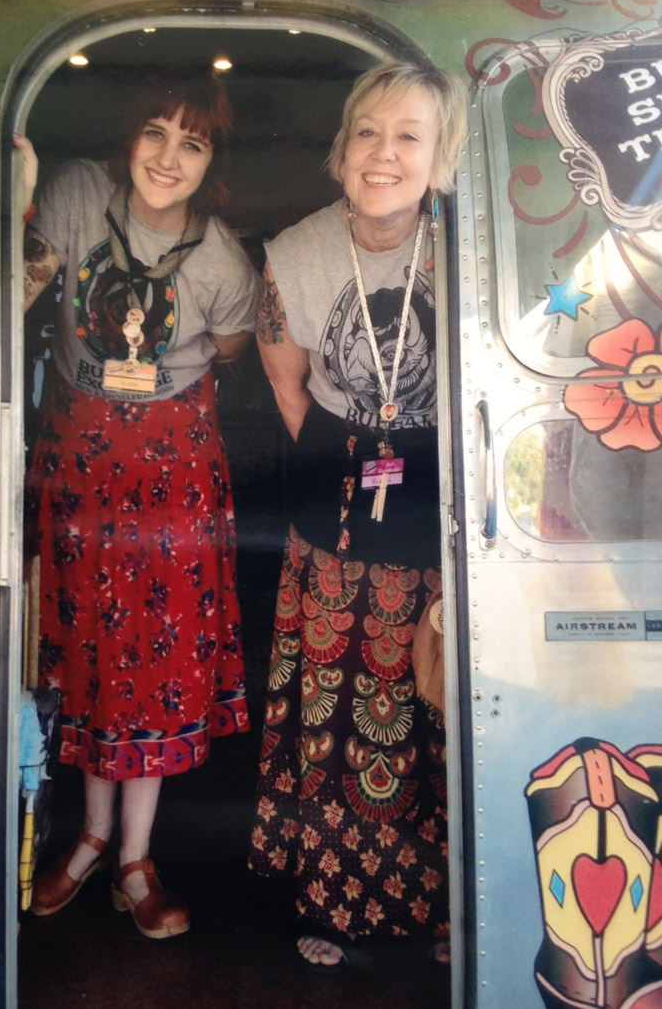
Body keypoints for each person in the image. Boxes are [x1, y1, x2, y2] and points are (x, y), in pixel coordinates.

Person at [16, 69, 259, 938]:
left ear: (212, 163)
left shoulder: (223, 259)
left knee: (151, 665)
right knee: (87, 648)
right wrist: (13, 193)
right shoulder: (81, 194)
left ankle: (133, 858)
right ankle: (88, 838)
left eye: (192, 143)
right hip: (77, 463)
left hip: (171, 474)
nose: (168, 157)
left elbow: (233, 349)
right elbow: (13, 289)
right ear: (129, 136)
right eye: (156, 132)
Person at [248, 60, 468, 969]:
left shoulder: (468, 240)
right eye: (367, 132)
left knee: (442, 709)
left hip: (447, 500)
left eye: (409, 135)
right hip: (336, 508)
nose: (385, 154)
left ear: (440, 155)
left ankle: (452, 907)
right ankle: (338, 903)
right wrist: (349, 469)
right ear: (342, 150)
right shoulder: (294, 252)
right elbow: (287, 386)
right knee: (338, 716)